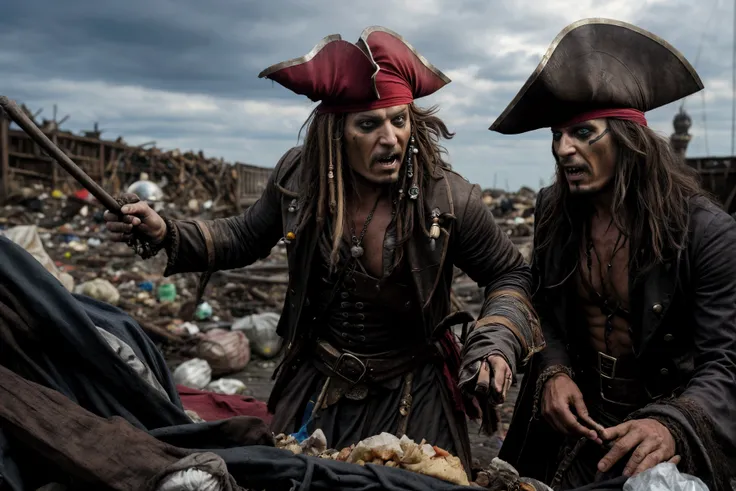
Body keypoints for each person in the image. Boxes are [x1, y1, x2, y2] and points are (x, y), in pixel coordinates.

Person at [104, 26, 544, 475]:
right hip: (321, 382)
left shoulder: (448, 199)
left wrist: (495, 342)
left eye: (399, 119)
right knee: (294, 478)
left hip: (415, 388)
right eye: (369, 124)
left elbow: (510, 274)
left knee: (423, 482)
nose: (390, 137)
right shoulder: (300, 181)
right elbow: (242, 237)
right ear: (337, 132)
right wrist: (165, 232)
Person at [491, 18, 736, 491]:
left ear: (628, 138)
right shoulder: (554, 212)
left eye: (583, 132)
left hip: (663, 438)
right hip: (575, 427)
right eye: (556, 135)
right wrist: (554, 370)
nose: (563, 148)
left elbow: (726, 360)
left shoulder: (705, 233)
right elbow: (545, 305)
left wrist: (671, 424)